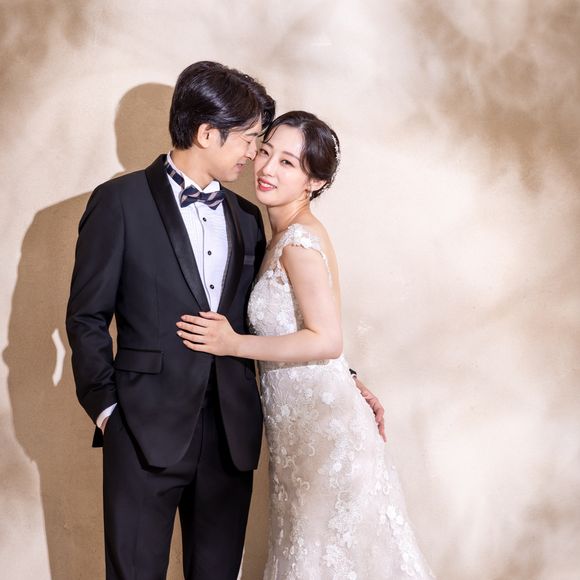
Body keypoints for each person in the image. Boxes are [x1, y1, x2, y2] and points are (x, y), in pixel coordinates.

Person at [176, 111, 436, 579]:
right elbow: (310, 326)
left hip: (325, 436)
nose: (267, 168)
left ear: (314, 182)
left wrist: (232, 344)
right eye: (266, 151)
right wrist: (351, 378)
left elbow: (327, 338)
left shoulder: (298, 241)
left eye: (288, 163)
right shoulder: (278, 236)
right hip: (300, 432)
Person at [66, 61, 275, 580]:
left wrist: (342, 376)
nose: (255, 153)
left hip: (230, 438)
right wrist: (108, 412)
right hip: (141, 430)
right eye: (249, 138)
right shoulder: (118, 202)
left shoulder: (248, 218)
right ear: (206, 133)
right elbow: (86, 316)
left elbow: (268, 318)